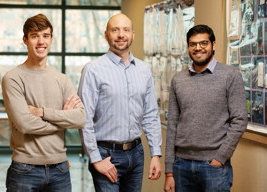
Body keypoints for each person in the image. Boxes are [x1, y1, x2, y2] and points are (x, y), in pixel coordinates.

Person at [78, 13, 162, 192]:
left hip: (136, 153)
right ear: (106, 34)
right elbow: (84, 119)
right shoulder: (93, 70)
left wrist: (155, 153)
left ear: (133, 34)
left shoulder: (144, 70)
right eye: (115, 30)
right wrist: (96, 159)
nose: (121, 35)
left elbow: (150, 115)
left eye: (126, 30)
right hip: (106, 155)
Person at [2, 14, 86, 192]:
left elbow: (80, 119)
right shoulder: (13, 78)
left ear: (51, 39)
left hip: (61, 169)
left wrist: (42, 112)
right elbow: (24, 124)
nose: (41, 41)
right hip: (25, 169)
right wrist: (63, 121)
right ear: (25, 40)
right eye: (35, 36)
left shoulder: (62, 80)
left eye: (45, 36)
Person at [164, 24, 248, 192]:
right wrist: (169, 171)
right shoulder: (178, 80)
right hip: (181, 166)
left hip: (214, 167)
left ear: (213, 45)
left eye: (203, 43)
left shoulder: (230, 75)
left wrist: (220, 158)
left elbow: (239, 120)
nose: (198, 48)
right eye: (193, 44)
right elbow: (172, 124)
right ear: (188, 47)